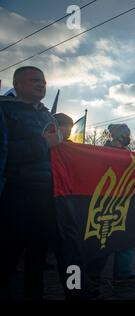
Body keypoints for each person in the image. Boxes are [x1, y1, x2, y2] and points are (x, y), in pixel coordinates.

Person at [0, 66, 81, 300]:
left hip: (47, 194)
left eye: (44, 81)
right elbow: (7, 153)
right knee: (9, 253)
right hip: (15, 194)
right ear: (18, 85)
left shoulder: (47, 116)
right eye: (35, 80)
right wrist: (43, 144)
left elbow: (55, 150)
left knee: (38, 253)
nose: (41, 84)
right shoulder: (5, 110)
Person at [87, 124, 135, 285]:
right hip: (106, 202)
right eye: (126, 134)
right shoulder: (103, 152)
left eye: (129, 134)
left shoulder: (129, 153)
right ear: (117, 136)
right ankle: (93, 274)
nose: (128, 137)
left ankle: (123, 273)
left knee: (126, 238)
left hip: (126, 201)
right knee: (104, 241)